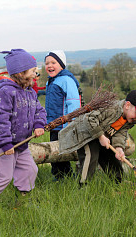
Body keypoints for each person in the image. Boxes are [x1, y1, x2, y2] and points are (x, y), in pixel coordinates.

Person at [0, 49, 47, 201]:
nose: (36, 75)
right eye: (33, 71)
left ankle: (22, 201)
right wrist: (5, 143)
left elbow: (39, 111)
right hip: (5, 145)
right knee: (3, 176)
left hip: (22, 145)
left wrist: (38, 124)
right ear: (21, 73)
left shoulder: (30, 92)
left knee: (30, 170)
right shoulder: (5, 92)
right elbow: (0, 120)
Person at [58, 90, 136, 185]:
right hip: (85, 134)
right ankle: (83, 185)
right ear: (127, 105)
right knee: (91, 156)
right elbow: (89, 119)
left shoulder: (128, 120)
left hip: (101, 137)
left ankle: (118, 182)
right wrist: (101, 136)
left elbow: (120, 133)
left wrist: (119, 148)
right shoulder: (111, 108)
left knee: (111, 157)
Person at [44, 50, 81, 181]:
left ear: (61, 65)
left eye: (53, 62)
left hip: (64, 124)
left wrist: (71, 122)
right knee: (55, 149)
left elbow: (73, 102)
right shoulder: (51, 81)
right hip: (53, 123)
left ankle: (63, 176)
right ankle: (61, 175)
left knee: (60, 151)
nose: (49, 65)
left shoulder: (66, 80)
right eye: (47, 63)